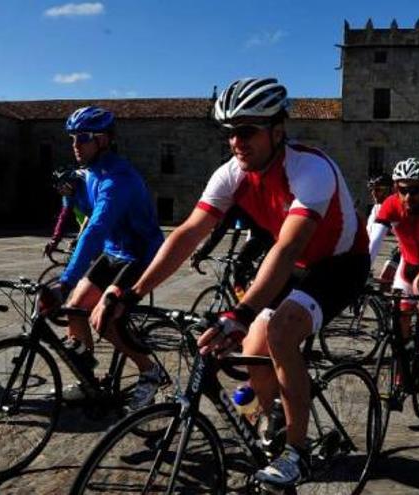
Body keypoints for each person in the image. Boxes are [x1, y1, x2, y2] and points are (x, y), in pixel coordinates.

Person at [90, 77, 369, 487]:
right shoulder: (231, 173)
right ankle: (272, 414)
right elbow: (187, 233)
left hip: (341, 263)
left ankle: (298, 452)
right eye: (230, 133)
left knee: (281, 329)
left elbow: (288, 247)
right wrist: (129, 293)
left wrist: (239, 312)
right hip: (296, 261)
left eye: (247, 131)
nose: (236, 142)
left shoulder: (311, 168)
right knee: (251, 353)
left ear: (277, 131)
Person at [47, 106, 165, 408]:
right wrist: (69, 193)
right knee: (75, 308)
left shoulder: (118, 179)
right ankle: (89, 381)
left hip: (140, 255)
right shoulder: (90, 174)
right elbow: (82, 211)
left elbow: (96, 228)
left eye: (83, 138)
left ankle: (151, 372)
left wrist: (65, 280)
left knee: (104, 319)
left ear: (103, 140)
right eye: (73, 137)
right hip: (114, 253)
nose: (75, 144)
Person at [368, 158, 419, 359]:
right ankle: (403, 369)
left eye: (414, 191)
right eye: (402, 190)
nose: (407, 196)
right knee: (400, 315)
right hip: (408, 261)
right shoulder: (391, 204)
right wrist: (360, 272)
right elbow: (374, 243)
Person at [189, 205, 273, 298]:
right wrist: (202, 254)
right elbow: (224, 231)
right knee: (238, 272)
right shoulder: (233, 206)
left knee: (249, 266)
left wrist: (201, 254)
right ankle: (242, 298)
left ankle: (253, 300)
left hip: (271, 232)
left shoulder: (240, 202)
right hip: (257, 231)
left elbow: (221, 231)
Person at [43, 167, 90, 259]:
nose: (60, 191)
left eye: (60, 186)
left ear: (69, 183)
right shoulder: (68, 195)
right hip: (86, 215)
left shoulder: (86, 189)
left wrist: (79, 238)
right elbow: (63, 218)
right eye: (57, 188)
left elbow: (92, 216)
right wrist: (54, 241)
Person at [366, 174, 400, 286]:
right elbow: (370, 238)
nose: (374, 193)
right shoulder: (377, 208)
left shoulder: (401, 205)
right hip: (402, 247)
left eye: (378, 190)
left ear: (391, 190)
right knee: (385, 278)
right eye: (372, 190)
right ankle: (388, 303)